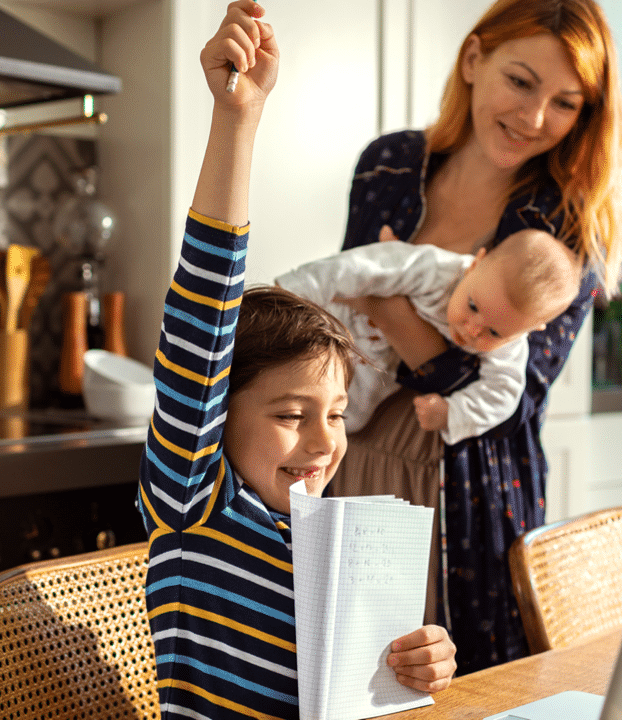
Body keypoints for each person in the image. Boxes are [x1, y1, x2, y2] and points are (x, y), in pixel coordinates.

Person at [137, 3, 457, 718]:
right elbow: (203, 305)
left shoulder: (327, 534)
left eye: (337, 415)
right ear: (215, 411)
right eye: (290, 414)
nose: (323, 442)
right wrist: (237, 118)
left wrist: (420, 660)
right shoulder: (196, 502)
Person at [330, 0, 622, 673]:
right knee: (349, 679)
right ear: (473, 60)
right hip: (352, 455)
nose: (533, 118)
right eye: (521, 82)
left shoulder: (569, 222)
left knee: (468, 688)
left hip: (470, 487)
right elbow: (344, 329)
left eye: (565, 103)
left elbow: (509, 395)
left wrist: (391, 304)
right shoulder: (388, 165)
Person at [275, 226, 581, 443]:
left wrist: (453, 412)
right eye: (473, 306)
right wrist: (291, 293)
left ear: (529, 331)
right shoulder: (435, 268)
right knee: (291, 367)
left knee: (348, 417)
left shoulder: (513, 343)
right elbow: (360, 267)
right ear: (474, 265)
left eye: (495, 332)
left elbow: (503, 393)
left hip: (381, 361)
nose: (472, 330)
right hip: (344, 319)